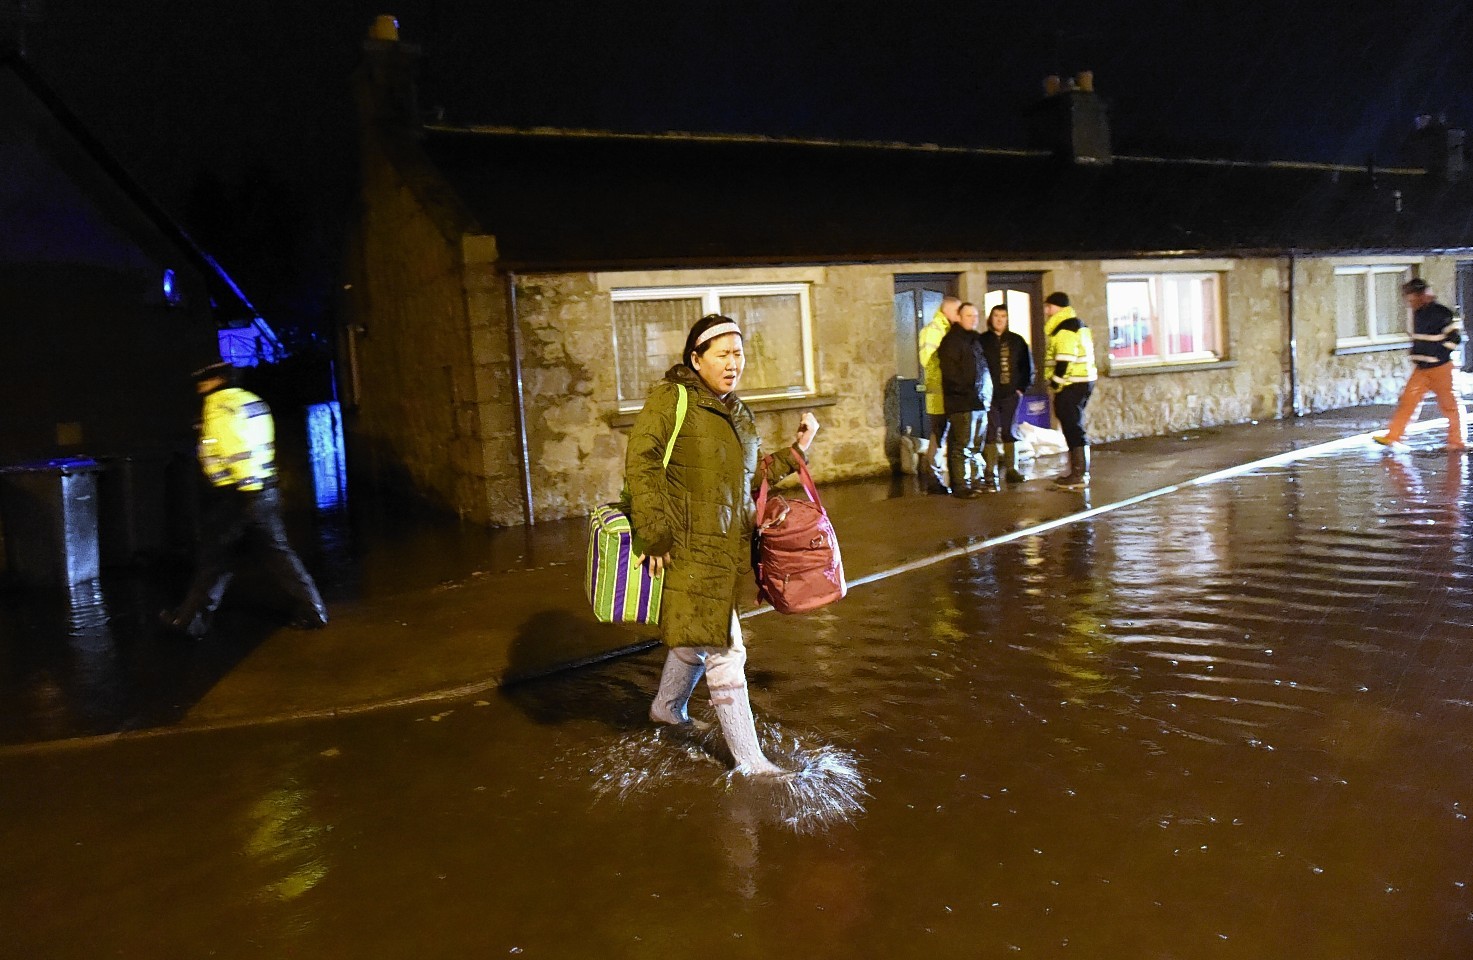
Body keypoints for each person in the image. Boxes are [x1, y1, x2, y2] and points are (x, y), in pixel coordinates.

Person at [628, 314, 818, 776]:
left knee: (699, 635)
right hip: (688, 546)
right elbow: (641, 463)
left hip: (727, 548)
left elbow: (750, 476)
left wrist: (796, 453)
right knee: (727, 649)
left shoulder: (737, 411)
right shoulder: (672, 400)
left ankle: (666, 709)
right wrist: (654, 534)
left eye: (739, 354)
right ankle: (750, 760)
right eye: (723, 355)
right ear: (696, 359)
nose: (734, 364)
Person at [160, 362, 329, 638]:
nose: (200, 386)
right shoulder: (253, 401)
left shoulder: (219, 405)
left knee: (214, 558)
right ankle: (314, 609)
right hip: (265, 489)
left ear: (217, 380)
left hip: (239, 495)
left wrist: (246, 486)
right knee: (277, 554)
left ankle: (188, 622)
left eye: (204, 380)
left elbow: (235, 445)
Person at [1374, 277, 1467, 451]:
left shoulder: (1443, 313)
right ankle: (1393, 437)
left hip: (1441, 368)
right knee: (1408, 402)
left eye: (1411, 299)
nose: (1409, 303)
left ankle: (1457, 441)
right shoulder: (1419, 313)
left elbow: (1455, 338)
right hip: (1422, 368)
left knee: (1450, 406)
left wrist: (1438, 354)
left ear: (1422, 295)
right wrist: (1418, 353)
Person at [1042, 292, 1098, 490]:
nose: (1046, 311)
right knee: (1073, 423)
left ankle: (1079, 473)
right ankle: (1079, 471)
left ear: (1056, 307)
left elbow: (1065, 359)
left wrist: (1056, 384)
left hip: (1072, 383)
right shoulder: (1077, 325)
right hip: (1082, 381)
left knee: (1072, 424)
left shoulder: (1065, 329)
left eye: (1048, 307)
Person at [937, 301, 992, 497]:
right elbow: (951, 375)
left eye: (975, 316)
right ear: (959, 317)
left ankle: (975, 481)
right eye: (969, 316)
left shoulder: (975, 341)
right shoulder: (952, 342)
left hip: (980, 402)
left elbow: (983, 369)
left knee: (976, 445)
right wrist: (967, 393)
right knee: (962, 445)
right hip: (962, 403)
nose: (973, 320)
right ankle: (961, 484)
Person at [978, 303, 1034, 488]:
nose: (1000, 319)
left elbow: (1027, 366)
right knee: (991, 431)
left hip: (1011, 393)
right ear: (990, 318)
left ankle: (1012, 468)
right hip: (989, 395)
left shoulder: (1017, 340)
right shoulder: (982, 340)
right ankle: (990, 470)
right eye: (996, 316)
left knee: (1010, 430)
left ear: (1007, 319)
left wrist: (1021, 389)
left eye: (1003, 316)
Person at [917, 295, 962, 493]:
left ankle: (950, 478)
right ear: (947, 310)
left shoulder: (948, 330)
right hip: (939, 395)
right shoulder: (934, 330)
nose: (959, 317)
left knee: (947, 437)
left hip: (950, 394)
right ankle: (933, 479)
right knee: (938, 437)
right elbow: (929, 361)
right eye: (957, 312)